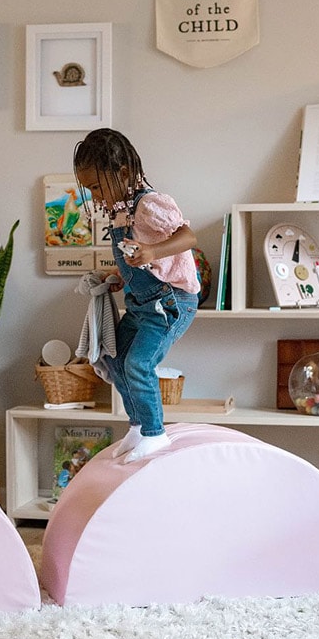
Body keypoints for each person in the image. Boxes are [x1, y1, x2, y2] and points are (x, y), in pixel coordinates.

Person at [73, 128, 200, 463]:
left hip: (169, 303)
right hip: (143, 303)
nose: (96, 197)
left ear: (124, 173)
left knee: (139, 363)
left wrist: (152, 251)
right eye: (90, 190)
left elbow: (187, 238)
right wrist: (118, 276)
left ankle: (155, 434)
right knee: (115, 359)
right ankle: (138, 426)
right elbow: (135, 259)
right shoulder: (120, 209)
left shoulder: (150, 205)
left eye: (98, 187)